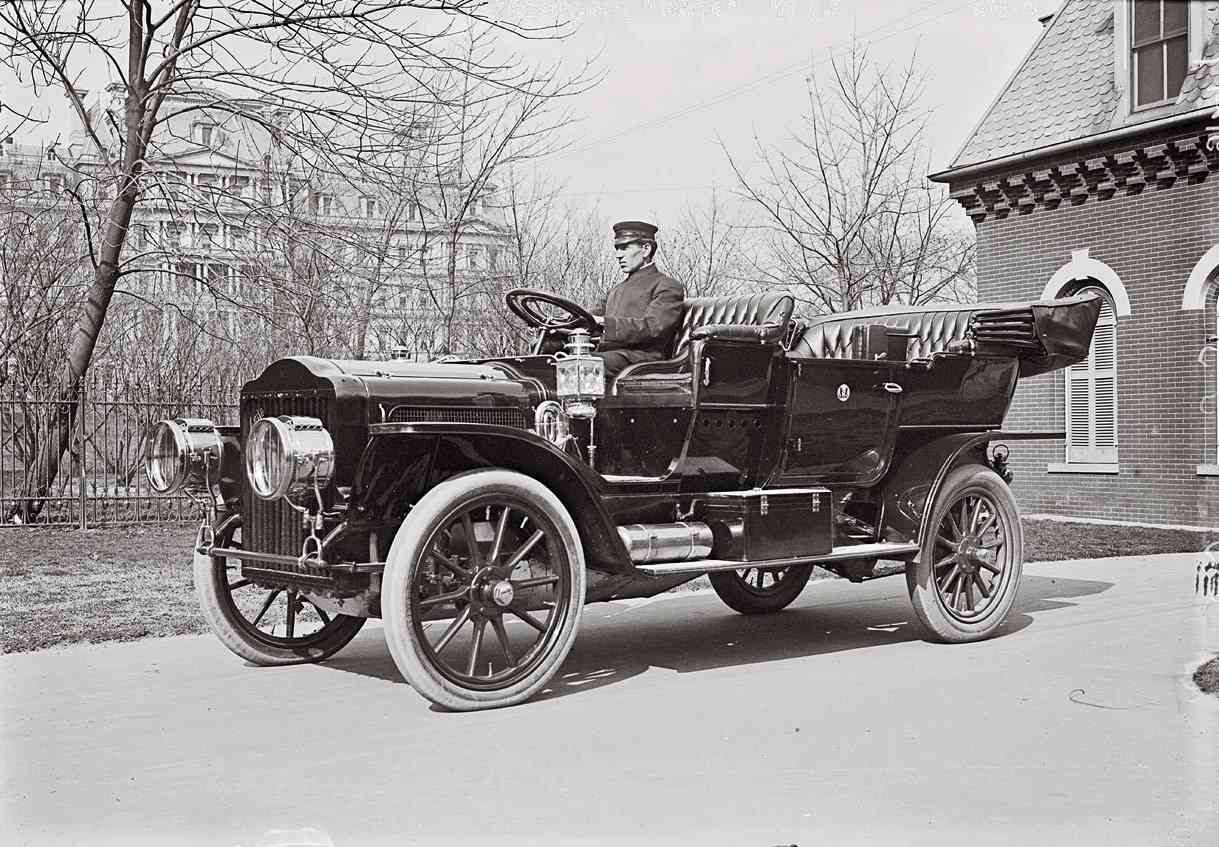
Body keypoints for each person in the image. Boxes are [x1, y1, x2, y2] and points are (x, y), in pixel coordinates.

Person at [589, 220, 685, 377]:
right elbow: (589, 318)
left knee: (581, 364)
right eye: (617, 248)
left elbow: (653, 327)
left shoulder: (667, 286)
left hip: (643, 359)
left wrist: (604, 323)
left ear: (646, 249)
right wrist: (561, 323)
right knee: (549, 357)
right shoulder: (615, 290)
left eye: (625, 248)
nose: (618, 255)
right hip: (611, 356)